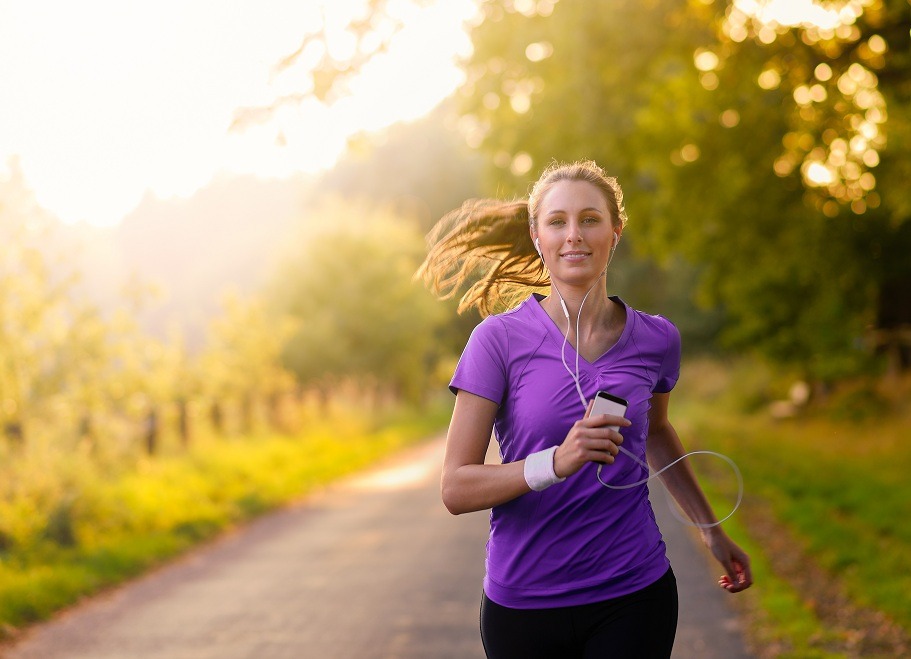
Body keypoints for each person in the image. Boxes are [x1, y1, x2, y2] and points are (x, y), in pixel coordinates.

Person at [417, 160, 752, 658]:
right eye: (558, 221)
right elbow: (456, 487)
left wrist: (711, 531)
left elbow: (656, 433)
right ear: (537, 236)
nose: (574, 235)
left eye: (590, 219)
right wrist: (555, 462)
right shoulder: (497, 341)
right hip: (524, 604)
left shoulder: (657, 339)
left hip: (634, 593)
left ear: (615, 232)